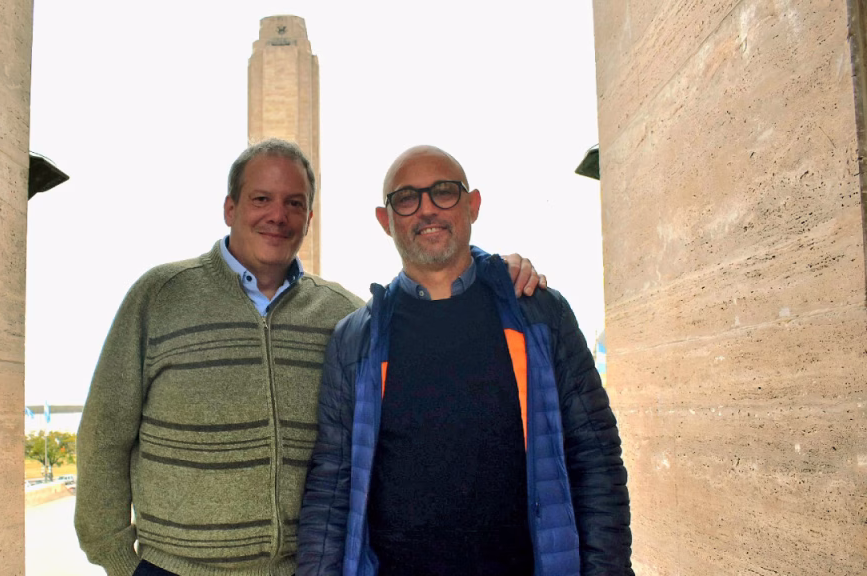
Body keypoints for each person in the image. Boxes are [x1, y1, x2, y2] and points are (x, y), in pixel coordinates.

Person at [74, 139, 546, 576]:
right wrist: (121, 560)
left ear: (309, 217)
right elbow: (103, 435)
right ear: (229, 208)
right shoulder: (160, 296)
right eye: (261, 199)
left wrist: (494, 274)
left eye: (293, 203)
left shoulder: (345, 317)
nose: (277, 215)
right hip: (172, 570)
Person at [298, 145, 633, 576]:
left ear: (472, 205)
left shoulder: (538, 314)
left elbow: (596, 458)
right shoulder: (356, 340)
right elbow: (332, 485)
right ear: (386, 221)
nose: (427, 209)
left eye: (444, 192)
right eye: (406, 198)